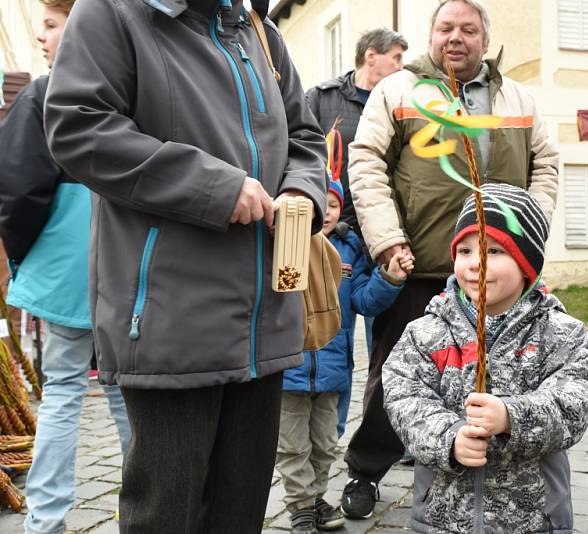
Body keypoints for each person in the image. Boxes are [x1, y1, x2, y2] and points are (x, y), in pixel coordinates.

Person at [43, 1, 327, 532]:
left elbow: (305, 137)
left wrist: (301, 191)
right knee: (166, 518)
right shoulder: (111, 12)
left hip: (263, 324)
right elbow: (77, 127)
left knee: (240, 514)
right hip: (172, 322)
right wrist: (215, 187)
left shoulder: (259, 31)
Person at [341, 0, 559, 519]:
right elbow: (365, 162)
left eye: (468, 29)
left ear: (485, 39)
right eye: (445, 28)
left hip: (502, 274)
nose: (455, 38)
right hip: (419, 265)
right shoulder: (398, 90)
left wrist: (529, 238)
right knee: (399, 376)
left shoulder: (518, 98)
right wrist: (387, 240)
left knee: (501, 378)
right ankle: (366, 470)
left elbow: (546, 165)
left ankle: (488, 477)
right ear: (430, 36)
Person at [383, 183, 588, 533]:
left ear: (528, 262)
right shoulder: (426, 331)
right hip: (443, 518)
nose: (475, 264)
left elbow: (574, 403)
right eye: (465, 250)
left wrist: (512, 416)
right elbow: (403, 396)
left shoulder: (559, 333)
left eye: (494, 250)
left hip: (532, 519)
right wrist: (449, 437)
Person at [0, 2, 132, 533]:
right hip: (124, 261)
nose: (40, 37)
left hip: (64, 258)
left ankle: (45, 521)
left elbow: (18, 188)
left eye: (51, 26)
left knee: (61, 391)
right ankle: (148, 510)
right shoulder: (125, 88)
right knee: (126, 393)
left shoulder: (45, 93)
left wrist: (24, 254)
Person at [277, 177, 412, 534]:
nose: (325, 211)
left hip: (334, 369)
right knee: (293, 447)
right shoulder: (284, 245)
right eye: (318, 201)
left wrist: (390, 278)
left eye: (333, 204)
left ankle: (318, 497)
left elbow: (365, 301)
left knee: (324, 443)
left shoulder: (349, 249)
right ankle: (301, 505)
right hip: (290, 369)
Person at [306, 27, 407, 373]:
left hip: (381, 238)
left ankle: (375, 413)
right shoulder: (322, 98)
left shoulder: (401, 100)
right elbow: (298, 151)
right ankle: (321, 398)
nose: (401, 66)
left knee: (384, 342)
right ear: (370, 57)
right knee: (328, 329)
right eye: (395, 58)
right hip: (332, 239)